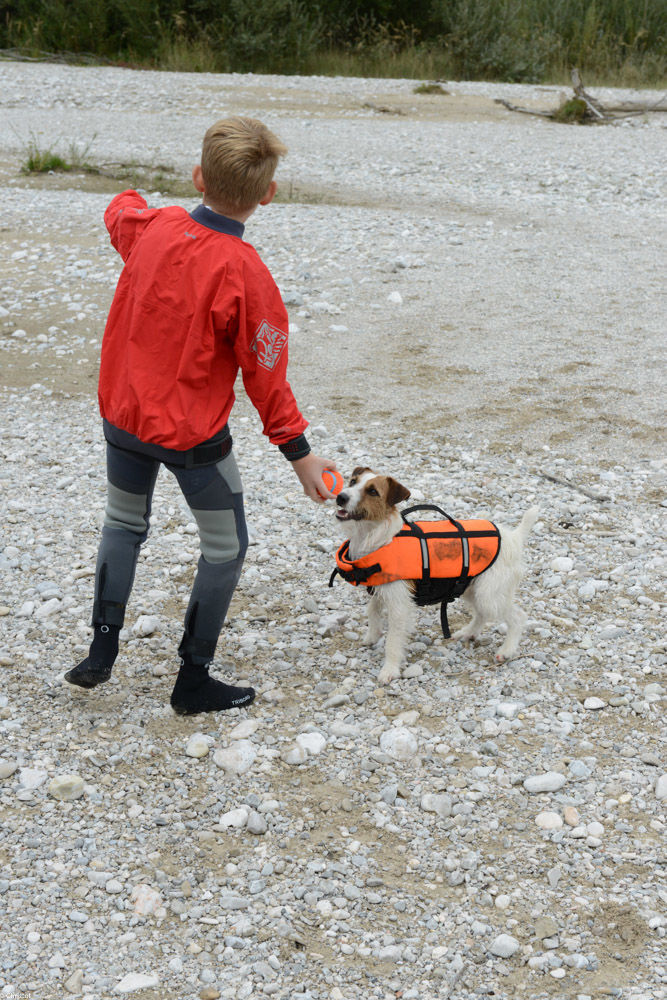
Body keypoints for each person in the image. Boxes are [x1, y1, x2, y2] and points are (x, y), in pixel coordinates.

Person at [65, 116, 337, 714]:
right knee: (224, 546)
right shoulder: (246, 273)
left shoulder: (154, 226)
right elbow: (266, 375)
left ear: (197, 176)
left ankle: (101, 652)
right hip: (192, 438)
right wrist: (300, 455)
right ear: (268, 194)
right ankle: (192, 679)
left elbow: (120, 211)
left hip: (124, 419)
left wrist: (139, 197)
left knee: (123, 523)